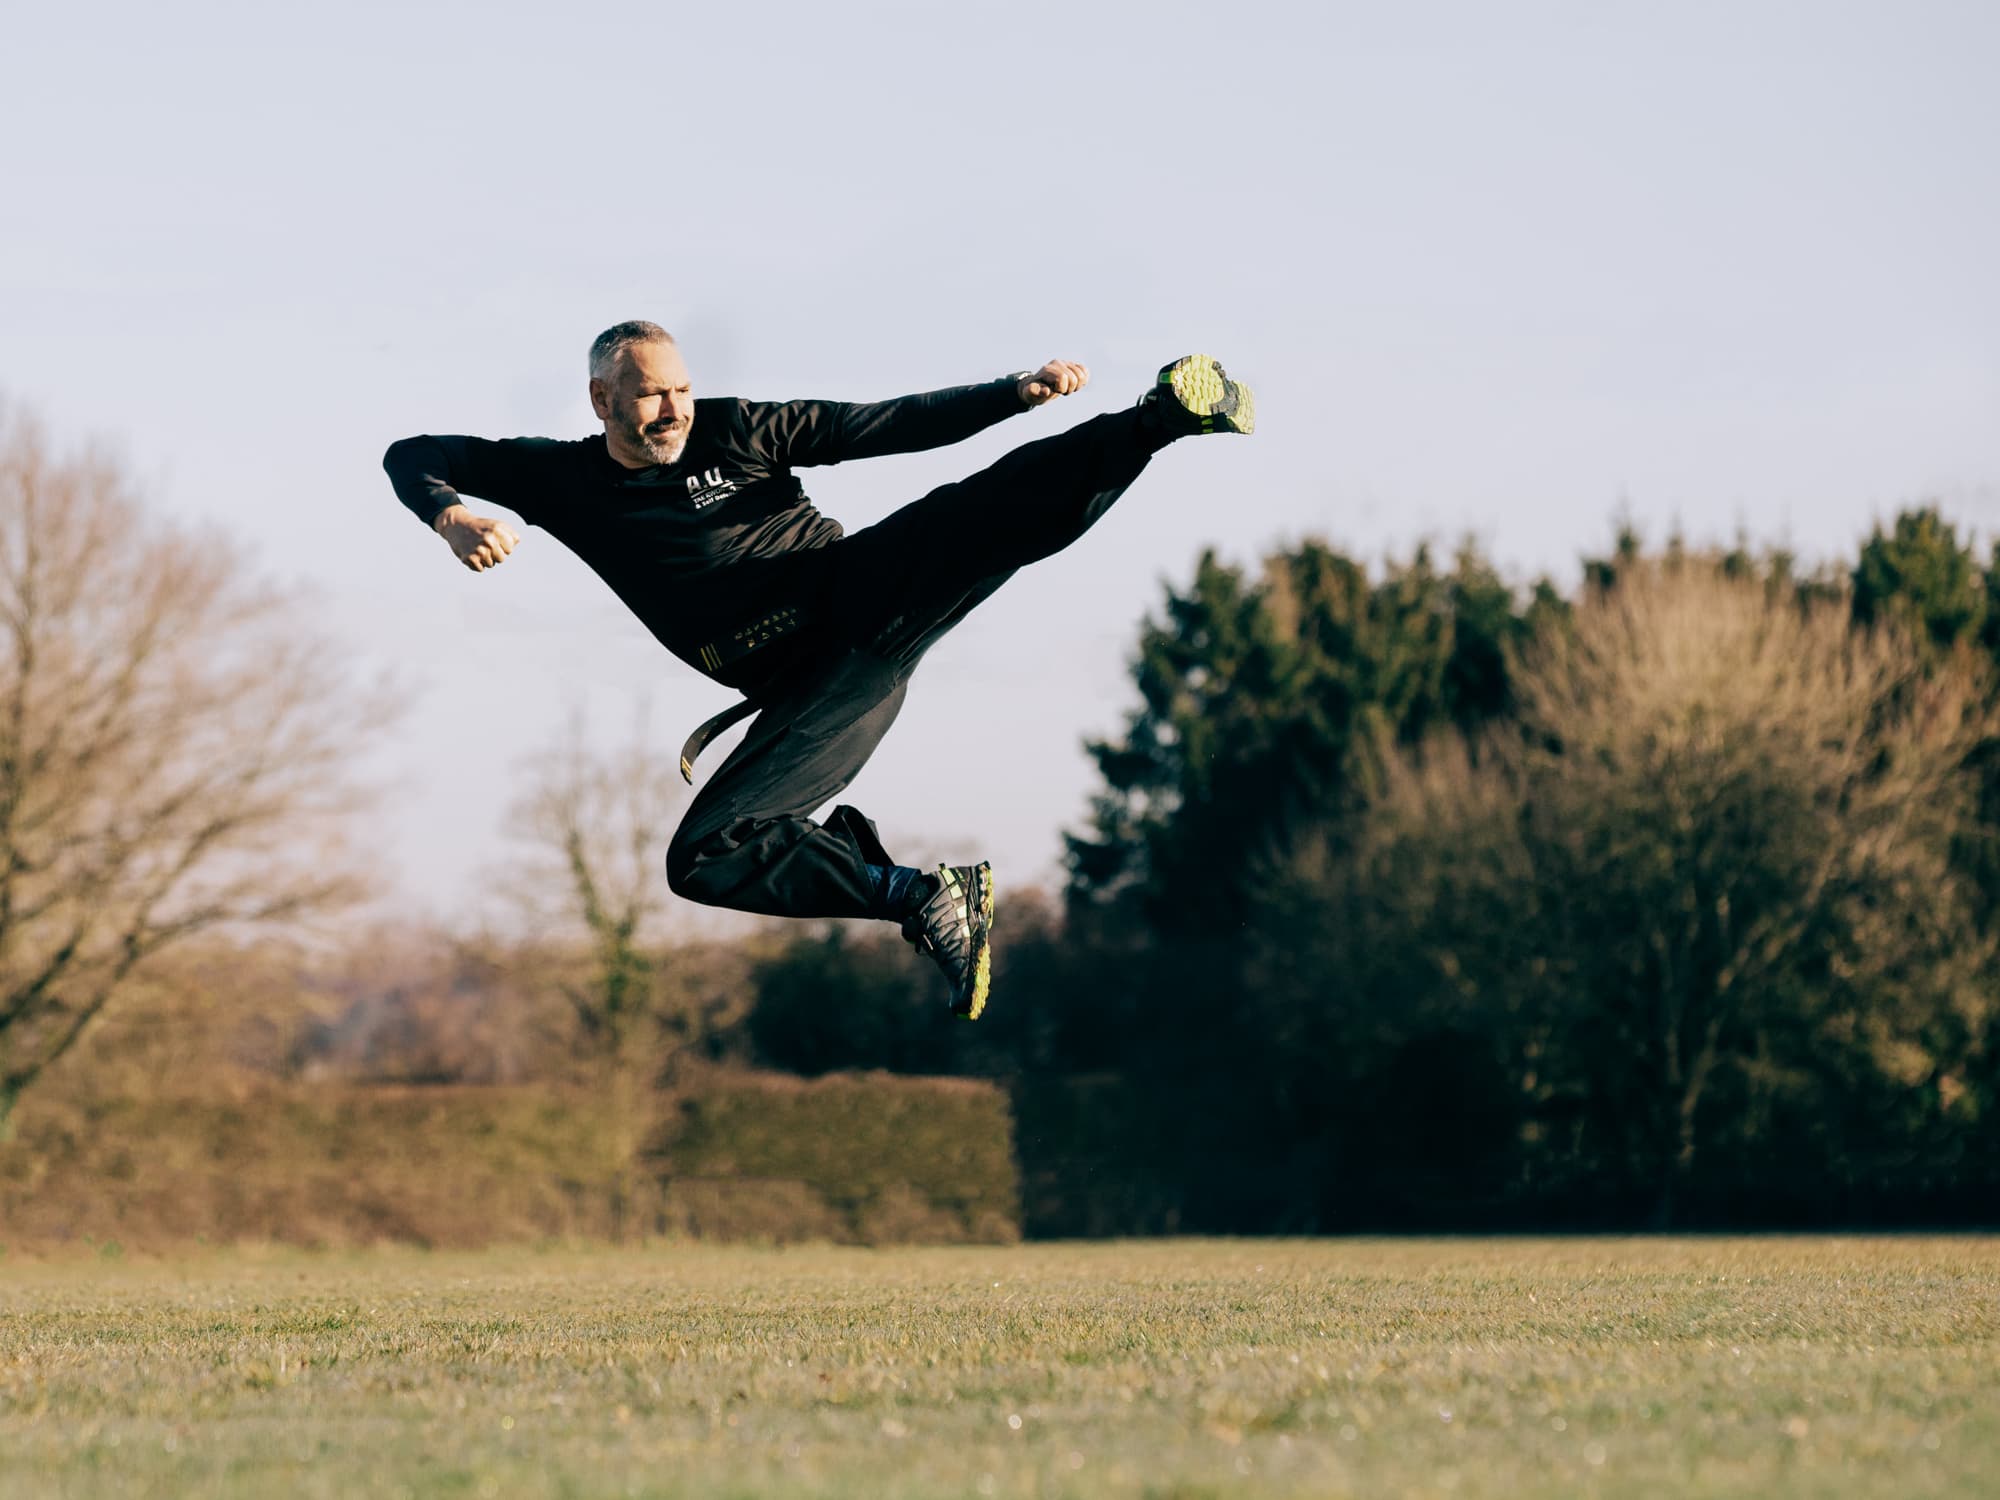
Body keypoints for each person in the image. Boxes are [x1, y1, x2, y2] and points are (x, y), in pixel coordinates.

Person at [383, 324, 1255, 1021]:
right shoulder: (560, 476)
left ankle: (1159, 419)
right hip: (814, 690)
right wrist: (450, 515)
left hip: (855, 600)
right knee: (703, 858)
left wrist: (1010, 395)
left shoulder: (739, 429)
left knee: (981, 520)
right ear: (602, 398)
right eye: (650, 394)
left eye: (680, 390)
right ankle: (920, 894)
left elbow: (880, 425)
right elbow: (412, 451)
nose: (672, 410)